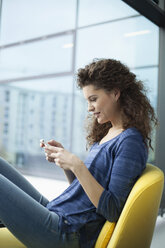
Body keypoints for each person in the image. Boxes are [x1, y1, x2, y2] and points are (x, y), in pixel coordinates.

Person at [0, 58, 157, 248]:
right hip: (60, 213)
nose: (89, 108)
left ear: (116, 93)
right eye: (87, 101)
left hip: (66, 231)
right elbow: (84, 194)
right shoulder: (108, 133)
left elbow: (112, 210)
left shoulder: (130, 141)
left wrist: (76, 164)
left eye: (93, 99)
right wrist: (66, 163)